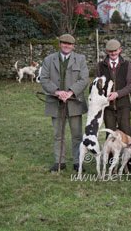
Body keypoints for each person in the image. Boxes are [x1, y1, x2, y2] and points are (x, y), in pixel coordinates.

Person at [40, 34, 89, 172]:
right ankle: (59, 162)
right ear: (60, 44)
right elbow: (43, 79)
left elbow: (84, 79)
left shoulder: (80, 59)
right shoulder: (49, 60)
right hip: (55, 102)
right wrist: (57, 92)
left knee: (77, 135)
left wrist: (70, 92)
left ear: (73, 46)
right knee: (57, 134)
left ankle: (77, 162)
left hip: (74, 102)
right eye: (64, 43)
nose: (67, 46)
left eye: (70, 44)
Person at [94, 39, 131, 138]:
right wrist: (101, 91)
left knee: (126, 134)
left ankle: (128, 154)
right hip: (108, 106)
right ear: (107, 51)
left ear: (120, 50)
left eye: (115, 50)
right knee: (110, 135)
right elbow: (96, 84)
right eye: (110, 51)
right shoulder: (100, 66)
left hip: (123, 105)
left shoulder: (127, 64)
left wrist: (117, 94)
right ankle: (112, 154)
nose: (113, 53)